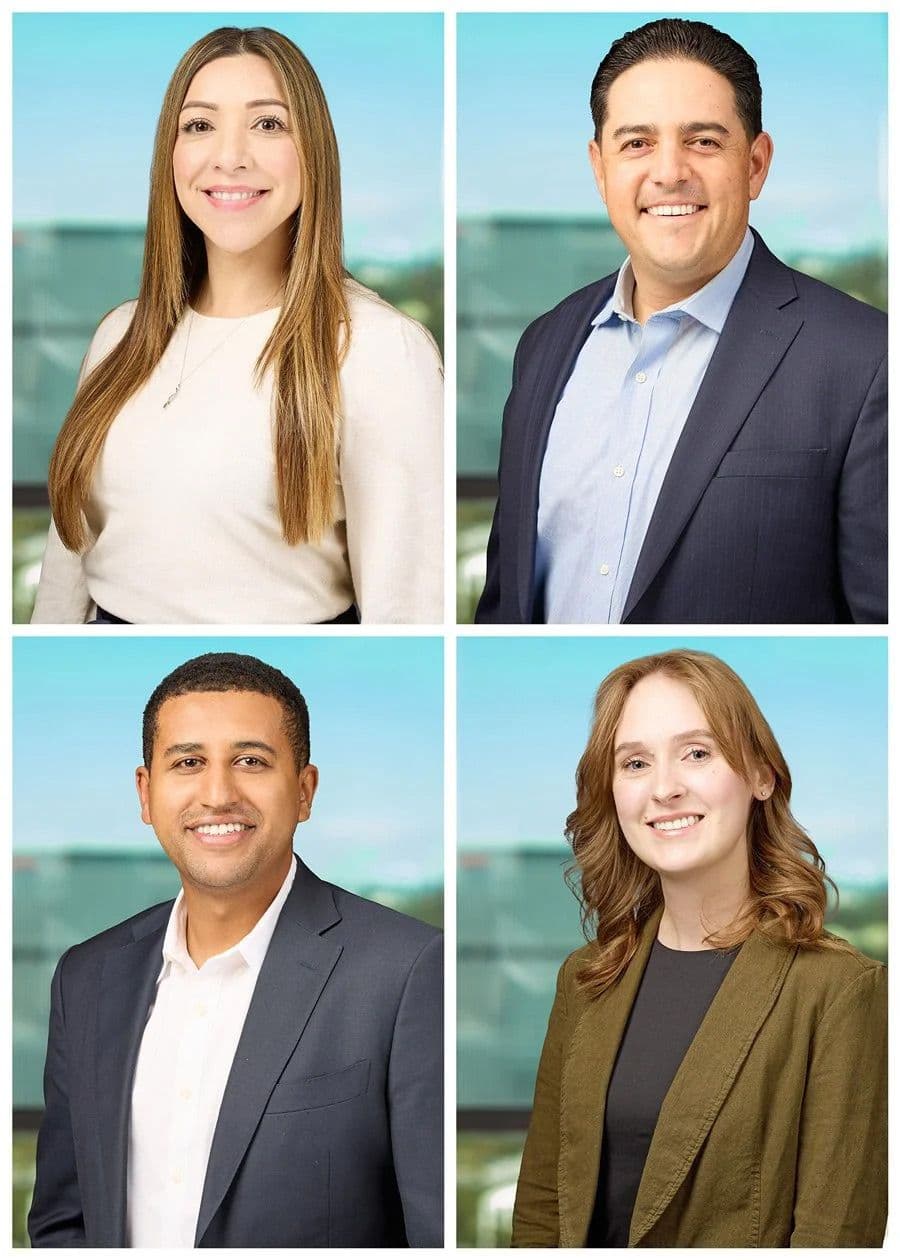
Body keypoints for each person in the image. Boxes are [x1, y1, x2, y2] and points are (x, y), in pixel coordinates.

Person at [476, 18, 886, 625]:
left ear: (755, 164)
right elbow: (505, 608)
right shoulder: (544, 343)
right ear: (599, 168)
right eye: (637, 143)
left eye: (703, 141)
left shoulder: (868, 359)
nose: (669, 172)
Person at [28, 652, 443, 1248]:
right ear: (146, 793)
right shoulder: (86, 977)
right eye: (188, 762)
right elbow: (62, 1221)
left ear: (304, 791)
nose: (218, 793)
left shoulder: (405, 969)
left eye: (251, 761)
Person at [31, 26, 442, 625]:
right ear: (170, 154)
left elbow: (409, 615)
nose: (229, 156)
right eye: (199, 125)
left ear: (313, 151)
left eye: (268, 123)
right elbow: (66, 569)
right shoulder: (119, 335)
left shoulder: (379, 349)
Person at [512, 649, 886, 1247]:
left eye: (697, 753)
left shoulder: (840, 991)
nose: (665, 788)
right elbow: (541, 1212)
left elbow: (834, 1235)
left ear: (761, 776)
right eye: (635, 763)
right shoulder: (585, 978)